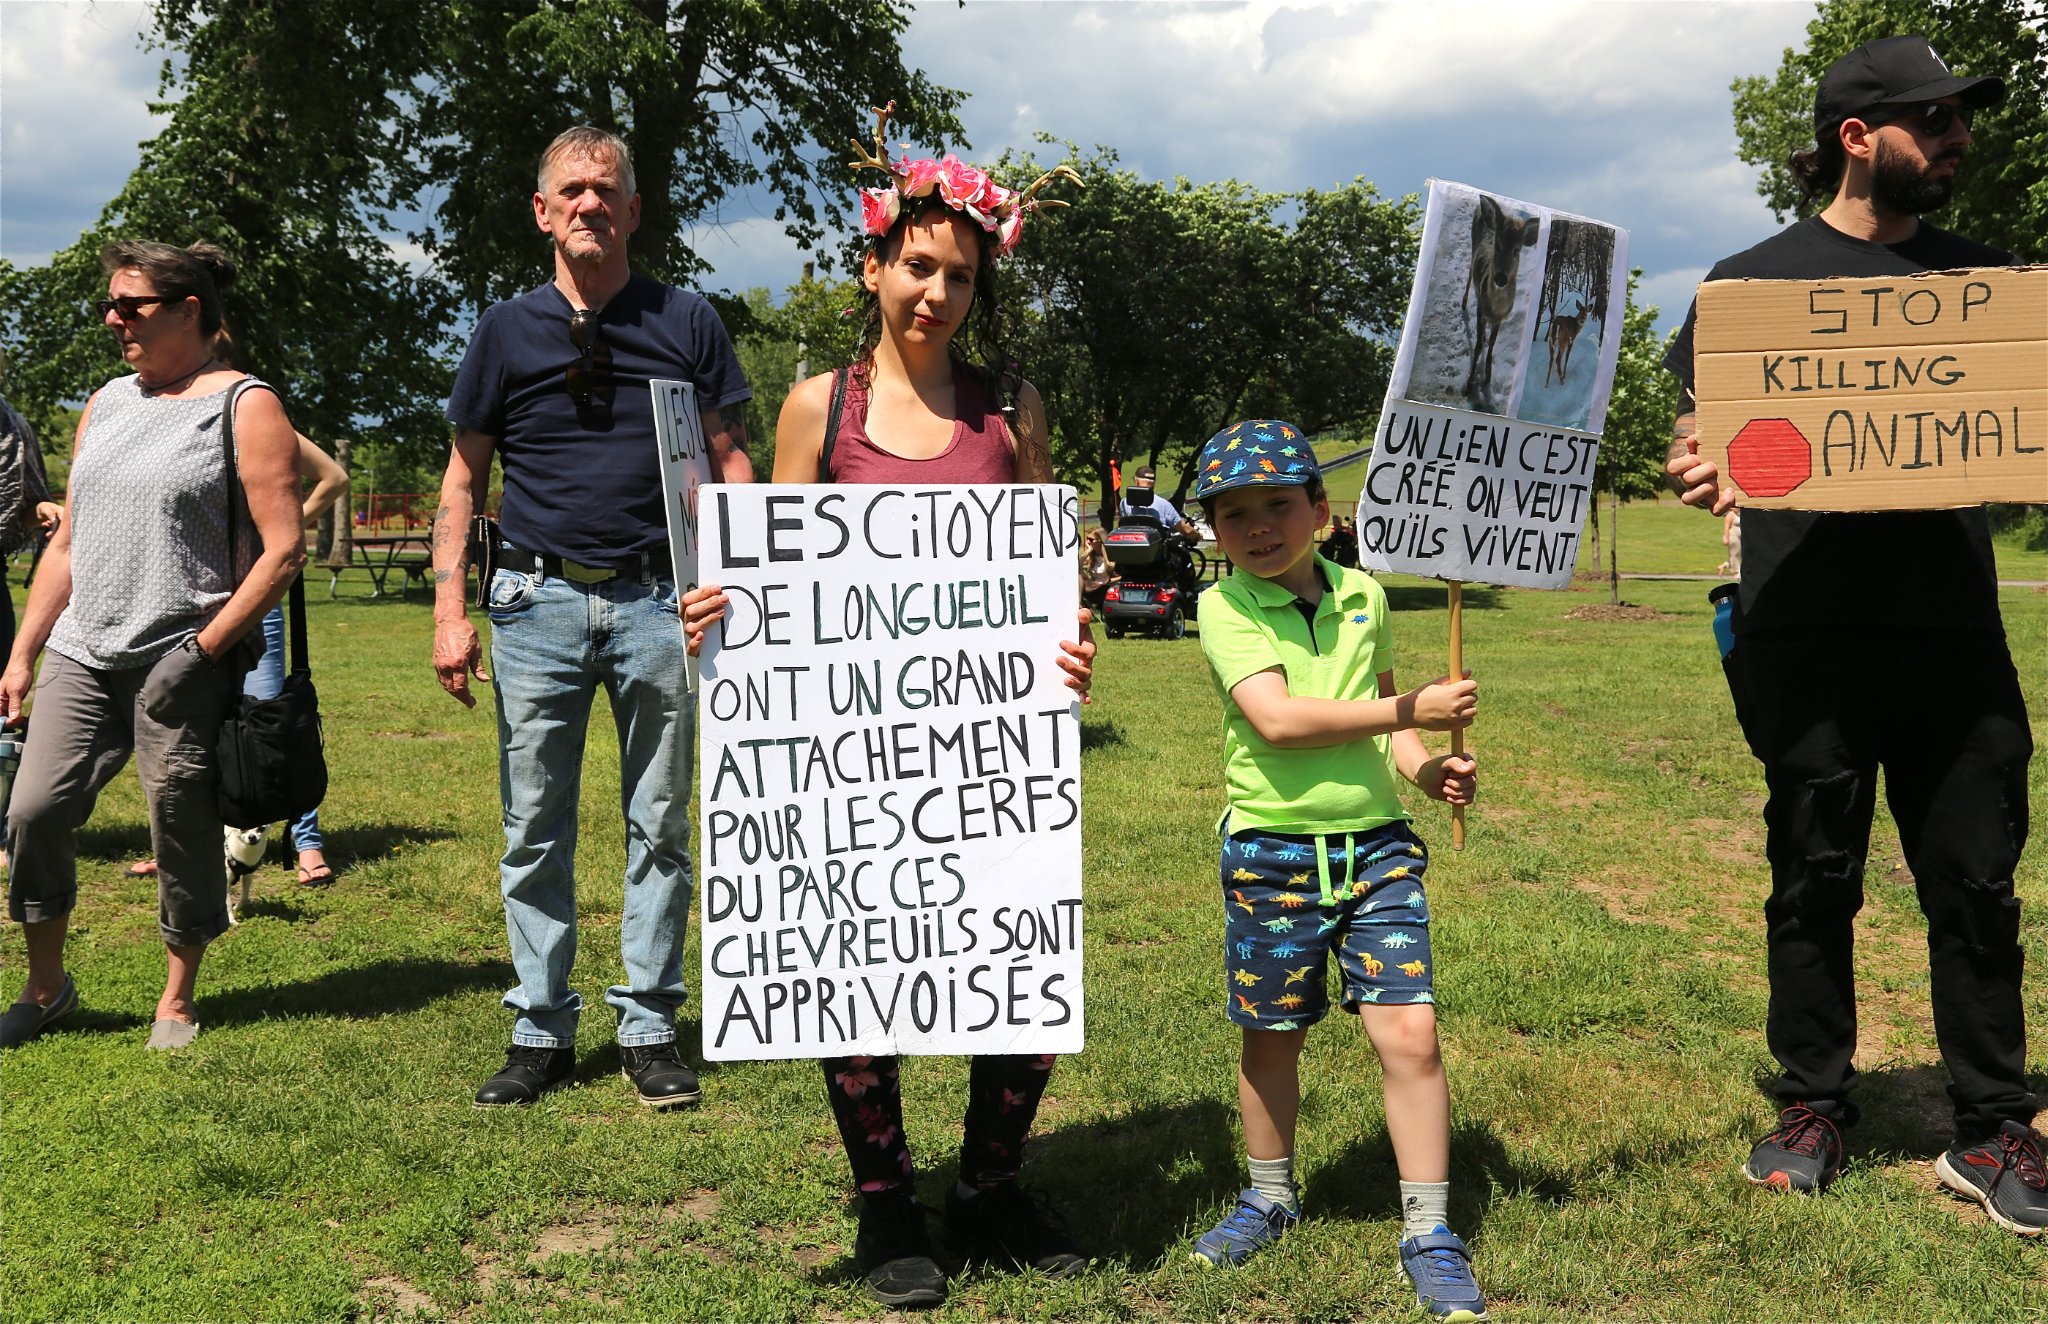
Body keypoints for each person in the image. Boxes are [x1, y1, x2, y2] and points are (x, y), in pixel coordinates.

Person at [682, 108, 1096, 1309]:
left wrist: (1072, 651)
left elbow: (1047, 577)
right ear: (872, 266)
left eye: (958, 276)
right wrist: (722, 613)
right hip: (849, 746)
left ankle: (990, 1186)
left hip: (986, 741)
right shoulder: (816, 407)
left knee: (1015, 955)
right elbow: (774, 574)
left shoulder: (1012, 408)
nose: (936, 294)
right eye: (917, 266)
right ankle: (884, 1203)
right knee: (850, 960)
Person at [1665, 35, 2043, 1233]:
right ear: (1853, 137)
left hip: (1951, 637)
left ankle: (1991, 1127)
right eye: (1931, 120)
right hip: (1803, 634)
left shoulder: (1988, 289)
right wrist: (1694, 462)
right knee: (1810, 875)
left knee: (1975, 883)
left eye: (1958, 118)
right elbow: (1700, 433)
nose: (1955, 138)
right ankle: (1812, 1104)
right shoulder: (1747, 291)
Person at [434, 126, 752, 1109]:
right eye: (571, 190)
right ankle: (540, 1028)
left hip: (662, 600)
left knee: (661, 820)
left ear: (633, 210)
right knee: (534, 824)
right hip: (535, 603)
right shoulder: (503, 330)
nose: (589, 204)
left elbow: (730, 459)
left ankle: (649, 1025)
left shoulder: (687, 319)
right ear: (542, 212)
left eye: (606, 190)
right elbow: (462, 477)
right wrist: (449, 609)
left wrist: (742, 577)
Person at [1188, 420, 1484, 1323]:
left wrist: (1426, 768)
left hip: (1378, 852)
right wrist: (1410, 707)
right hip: (1271, 854)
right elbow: (1279, 721)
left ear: (1321, 509)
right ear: (1213, 530)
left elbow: (1386, 722)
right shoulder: (1224, 606)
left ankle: (1429, 1230)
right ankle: (1269, 1197)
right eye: (1234, 513)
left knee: (1412, 1035)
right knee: (1272, 1035)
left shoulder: (1365, 596)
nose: (1258, 526)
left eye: (1279, 504)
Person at [0, 240, 305, 1051]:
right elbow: (69, 540)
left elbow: (284, 550)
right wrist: (24, 652)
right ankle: (46, 986)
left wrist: (203, 651)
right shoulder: (105, 402)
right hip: (82, 648)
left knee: (179, 821)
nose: (112, 319)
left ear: (186, 311)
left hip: (181, 655)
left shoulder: (245, 404)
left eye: (129, 305)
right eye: (109, 304)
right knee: (32, 810)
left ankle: (176, 997)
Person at [130, 331, 351, 887]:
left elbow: (334, 477)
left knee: (272, 717)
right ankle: (186, 843)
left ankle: (306, 843)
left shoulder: (252, 417)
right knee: (186, 724)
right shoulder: (161, 423)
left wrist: (285, 526)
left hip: (253, 599)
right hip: (183, 599)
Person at [1119, 464, 1201, 541]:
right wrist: (1198, 535)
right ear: (1154, 483)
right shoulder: (1163, 505)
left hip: (1129, 546)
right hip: (1158, 550)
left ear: (1136, 481)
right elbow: (1186, 530)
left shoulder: (1124, 503)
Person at [1079, 526, 1116, 613]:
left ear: (1100, 541)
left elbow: (1113, 569)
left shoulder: (1111, 556)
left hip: (1105, 588)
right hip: (1093, 586)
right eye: (1087, 539)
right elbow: (1078, 565)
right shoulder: (1092, 556)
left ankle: (1081, 605)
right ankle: (1079, 603)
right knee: (1078, 575)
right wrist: (1088, 551)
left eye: (1091, 540)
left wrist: (1104, 551)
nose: (1088, 542)